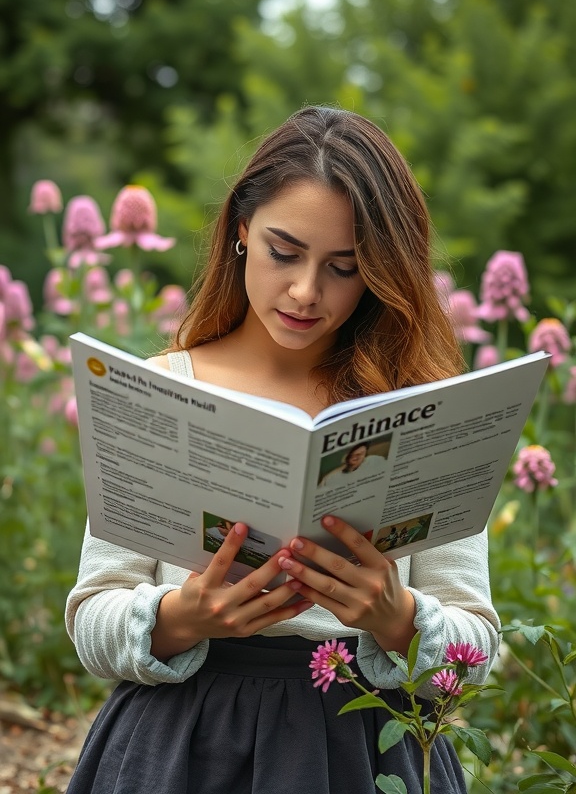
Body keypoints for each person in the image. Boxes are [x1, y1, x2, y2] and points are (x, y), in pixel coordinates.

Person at [65, 106, 500, 794]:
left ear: (381, 272)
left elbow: (478, 645)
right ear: (242, 232)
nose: (305, 291)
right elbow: (93, 615)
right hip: (180, 749)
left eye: (344, 267)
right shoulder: (158, 389)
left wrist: (398, 619)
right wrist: (181, 617)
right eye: (284, 252)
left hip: (365, 752)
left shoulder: (421, 411)